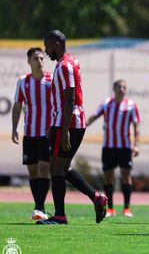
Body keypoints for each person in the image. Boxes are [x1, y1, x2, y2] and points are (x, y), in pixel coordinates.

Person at [37, 30, 107, 225]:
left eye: (48, 45)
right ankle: (96, 198)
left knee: (56, 167)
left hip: (69, 122)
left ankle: (60, 215)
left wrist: (65, 129)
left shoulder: (65, 66)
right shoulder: (70, 61)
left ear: (57, 44)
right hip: (66, 121)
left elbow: (70, 99)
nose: (46, 50)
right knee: (63, 168)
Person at [87, 79, 140, 217]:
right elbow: (95, 116)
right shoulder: (106, 104)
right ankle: (110, 208)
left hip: (125, 147)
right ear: (114, 89)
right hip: (109, 147)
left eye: (124, 87)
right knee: (108, 177)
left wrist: (136, 145)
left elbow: (136, 126)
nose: (121, 89)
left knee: (126, 177)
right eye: (119, 87)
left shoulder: (131, 105)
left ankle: (126, 208)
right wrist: (83, 124)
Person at [12, 47, 52, 220]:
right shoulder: (23, 82)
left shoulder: (52, 80)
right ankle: (39, 208)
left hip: (47, 135)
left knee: (45, 169)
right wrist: (14, 128)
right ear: (29, 61)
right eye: (36, 58)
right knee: (33, 172)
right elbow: (17, 106)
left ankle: (40, 208)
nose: (40, 61)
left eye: (42, 58)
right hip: (29, 134)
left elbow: (59, 104)